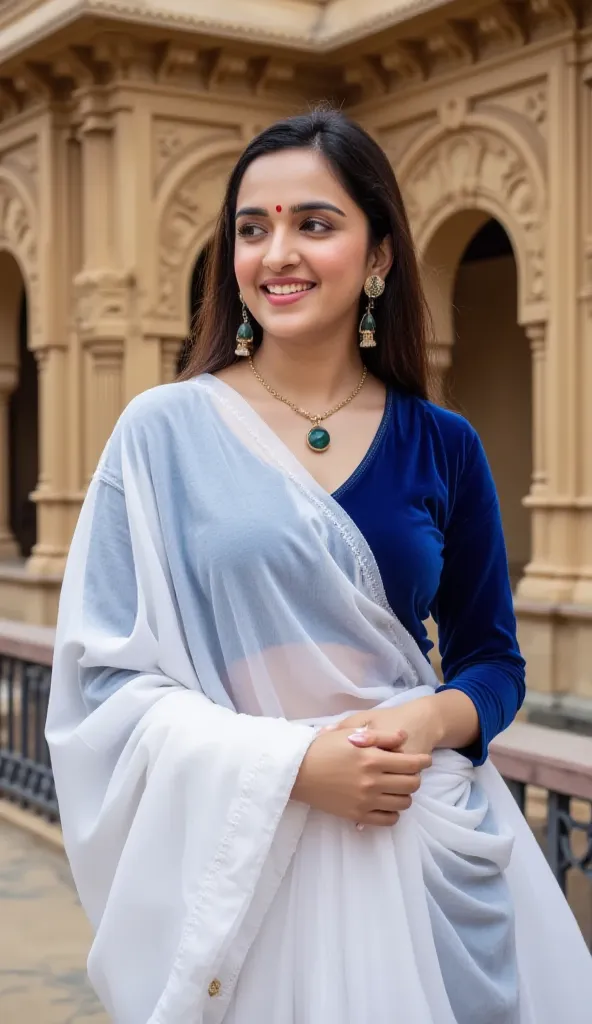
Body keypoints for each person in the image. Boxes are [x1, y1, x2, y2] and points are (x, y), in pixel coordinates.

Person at [46, 108, 592, 1024]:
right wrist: (292, 765)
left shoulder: (442, 445)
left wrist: (427, 720)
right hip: (257, 860)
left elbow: (493, 662)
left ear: (379, 256)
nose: (277, 253)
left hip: (421, 841)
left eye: (315, 223)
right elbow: (104, 681)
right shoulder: (162, 433)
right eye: (252, 229)